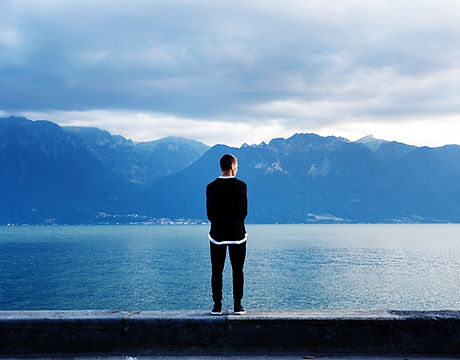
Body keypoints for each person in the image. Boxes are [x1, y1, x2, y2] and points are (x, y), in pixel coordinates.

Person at [206, 154, 248, 315]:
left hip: (216, 234)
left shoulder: (210, 187)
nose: (237, 168)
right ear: (231, 166)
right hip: (238, 234)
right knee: (238, 270)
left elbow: (209, 213)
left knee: (216, 271)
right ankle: (238, 306)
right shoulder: (241, 186)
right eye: (236, 165)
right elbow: (244, 212)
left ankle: (217, 306)